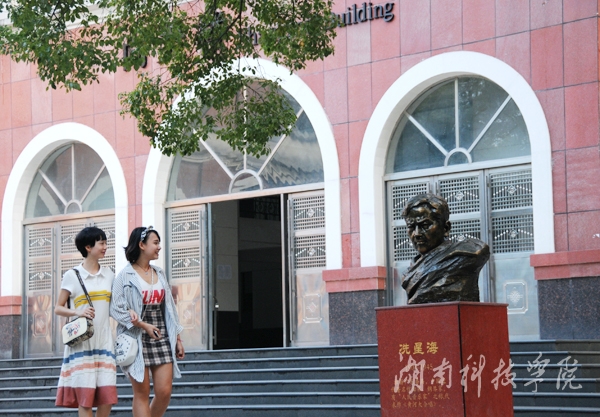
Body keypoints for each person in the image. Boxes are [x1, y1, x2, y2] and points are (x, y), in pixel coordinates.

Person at [110, 226, 185, 417]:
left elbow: (170, 308)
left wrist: (177, 339)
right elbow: (116, 308)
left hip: (161, 333)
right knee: (142, 393)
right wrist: (141, 324)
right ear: (142, 245)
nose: (159, 247)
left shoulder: (159, 273)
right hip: (135, 335)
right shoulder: (124, 276)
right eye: (155, 243)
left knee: (164, 392)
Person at [55, 227, 117, 417]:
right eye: (102, 243)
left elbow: (115, 305)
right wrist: (78, 311)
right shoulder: (72, 275)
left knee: (107, 397)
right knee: (86, 398)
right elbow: (58, 308)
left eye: (106, 243)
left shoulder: (109, 274)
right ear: (88, 247)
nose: (105, 247)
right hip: (83, 342)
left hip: (104, 341)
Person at [401, 193, 490, 304]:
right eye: (411, 227)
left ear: (446, 228)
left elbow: (480, 250)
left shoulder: (462, 256)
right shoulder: (411, 270)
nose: (417, 233)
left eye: (425, 225)